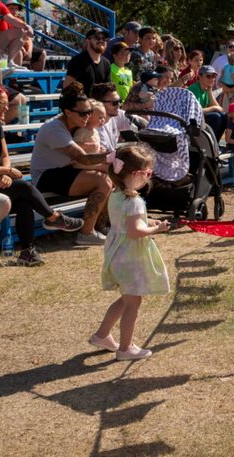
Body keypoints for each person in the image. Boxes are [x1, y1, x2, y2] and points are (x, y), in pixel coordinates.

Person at [90, 144, 170, 361]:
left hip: (117, 252)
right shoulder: (133, 200)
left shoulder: (116, 194)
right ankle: (126, 348)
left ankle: (102, 335)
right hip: (130, 256)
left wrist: (149, 220)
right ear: (136, 174)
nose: (149, 178)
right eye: (148, 174)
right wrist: (157, 228)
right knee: (133, 302)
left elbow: (126, 222)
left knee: (126, 298)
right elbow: (136, 231)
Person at [0, 86, 84, 265]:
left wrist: (5, 172)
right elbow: (5, 166)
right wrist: (7, 171)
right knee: (25, 187)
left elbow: (5, 157)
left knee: (24, 201)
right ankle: (53, 217)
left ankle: (27, 252)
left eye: (7, 103)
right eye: (1, 104)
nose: (6, 108)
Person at [30, 83, 111, 244]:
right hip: (47, 176)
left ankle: (102, 225)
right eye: (82, 113)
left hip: (66, 171)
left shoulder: (76, 125)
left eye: (89, 112)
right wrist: (112, 156)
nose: (87, 116)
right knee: (103, 181)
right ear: (67, 112)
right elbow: (83, 159)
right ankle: (86, 233)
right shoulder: (54, 128)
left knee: (111, 177)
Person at [0, 0, 46, 70]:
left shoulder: (19, 21)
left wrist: (29, 50)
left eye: (16, 9)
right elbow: (6, 40)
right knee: (19, 52)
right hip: (8, 48)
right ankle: (13, 80)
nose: (15, 11)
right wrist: (21, 47)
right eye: (11, 8)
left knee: (42, 54)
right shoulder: (2, 20)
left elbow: (28, 38)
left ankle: (36, 80)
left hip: (22, 46)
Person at [64, 28, 112, 95]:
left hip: (100, 104)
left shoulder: (106, 63)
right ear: (88, 41)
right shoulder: (77, 61)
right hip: (82, 104)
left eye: (104, 39)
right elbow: (67, 88)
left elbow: (108, 91)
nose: (101, 41)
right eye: (97, 38)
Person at [90, 83, 136, 152]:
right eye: (114, 103)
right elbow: (105, 158)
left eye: (119, 101)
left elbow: (140, 124)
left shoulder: (117, 113)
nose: (119, 105)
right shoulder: (94, 128)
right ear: (99, 103)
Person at [187, 66, 225, 139]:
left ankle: (214, 145)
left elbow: (220, 109)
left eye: (213, 76)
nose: (212, 79)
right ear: (200, 76)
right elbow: (197, 111)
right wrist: (213, 108)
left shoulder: (206, 88)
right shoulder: (194, 89)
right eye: (208, 76)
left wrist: (210, 92)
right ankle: (210, 144)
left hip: (200, 118)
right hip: (192, 121)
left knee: (224, 116)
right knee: (216, 117)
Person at [72, 100, 107, 170]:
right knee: (107, 168)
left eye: (104, 117)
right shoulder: (82, 131)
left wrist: (99, 149)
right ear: (89, 117)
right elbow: (74, 145)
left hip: (92, 162)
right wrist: (87, 145)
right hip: (82, 163)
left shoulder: (95, 131)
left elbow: (94, 149)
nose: (103, 120)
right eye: (100, 117)